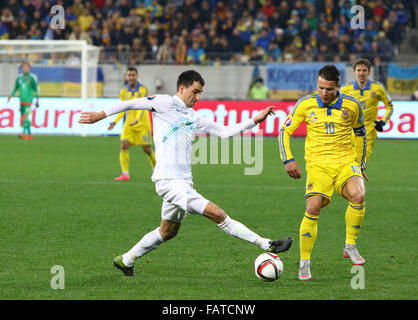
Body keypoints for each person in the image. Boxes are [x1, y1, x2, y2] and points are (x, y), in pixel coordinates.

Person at [79, 70, 293, 276]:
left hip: (183, 183)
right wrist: (101, 114)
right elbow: (131, 103)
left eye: (200, 93)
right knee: (218, 214)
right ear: (182, 88)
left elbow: (225, 132)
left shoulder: (193, 116)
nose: (198, 97)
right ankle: (266, 244)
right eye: (195, 91)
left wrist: (256, 120)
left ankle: (126, 260)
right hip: (169, 182)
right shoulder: (164, 103)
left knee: (168, 232)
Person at [278, 65, 367, 281]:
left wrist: (360, 163)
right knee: (313, 207)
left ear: (338, 86)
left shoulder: (352, 105)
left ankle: (350, 245)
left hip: (345, 162)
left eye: (329, 89)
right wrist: (288, 159)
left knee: (359, 194)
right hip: (318, 165)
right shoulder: (306, 104)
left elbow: (360, 133)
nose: (324, 93)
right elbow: (285, 130)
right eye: (320, 88)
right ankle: (305, 262)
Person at [341, 58, 393, 164]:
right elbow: (335, 107)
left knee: (360, 163)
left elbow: (390, 107)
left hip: (368, 133)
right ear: (354, 72)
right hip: (348, 132)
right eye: (359, 70)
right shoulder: (345, 89)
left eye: (364, 70)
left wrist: (383, 122)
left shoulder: (378, 88)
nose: (361, 73)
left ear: (369, 72)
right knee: (346, 164)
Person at [108, 66, 155, 181]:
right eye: (129, 75)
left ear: (137, 76)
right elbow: (123, 108)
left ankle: (157, 170)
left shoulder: (143, 90)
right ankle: (125, 174)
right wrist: (115, 121)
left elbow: (142, 106)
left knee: (147, 149)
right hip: (129, 123)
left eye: (133, 75)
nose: (131, 77)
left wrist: (138, 119)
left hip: (143, 123)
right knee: (124, 145)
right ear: (126, 77)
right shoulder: (123, 91)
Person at [8, 62, 40, 140]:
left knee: (25, 117)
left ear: (29, 68)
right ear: (22, 68)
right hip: (21, 101)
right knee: (24, 118)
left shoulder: (32, 78)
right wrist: (11, 96)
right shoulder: (19, 78)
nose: (25, 69)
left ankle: (22, 133)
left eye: (26, 67)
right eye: (23, 67)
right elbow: (15, 89)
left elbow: (36, 89)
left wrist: (37, 99)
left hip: (29, 101)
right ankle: (29, 134)